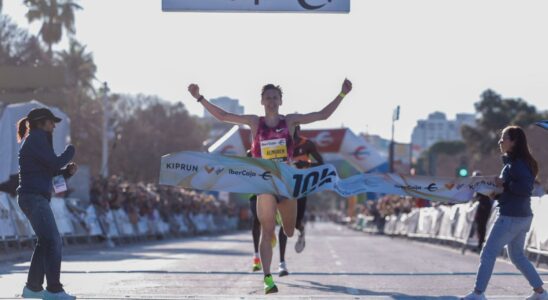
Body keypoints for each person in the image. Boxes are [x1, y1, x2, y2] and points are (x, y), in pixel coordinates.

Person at [188, 79, 352, 294]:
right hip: (264, 182)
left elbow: (322, 115)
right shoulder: (255, 122)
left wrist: (341, 95)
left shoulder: (290, 121)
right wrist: (199, 98)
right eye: (268, 98)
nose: (272, 101)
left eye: (275, 98)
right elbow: (224, 116)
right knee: (266, 231)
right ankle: (268, 278)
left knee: (290, 231)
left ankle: (279, 222)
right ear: (262, 101)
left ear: (281, 101)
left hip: (286, 183)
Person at [462, 126, 547, 300]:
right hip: (521, 216)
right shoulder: (517, 163)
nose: (500, 141)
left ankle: (478, 293)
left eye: (504, 138)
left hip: (511, 217)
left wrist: (504, 185)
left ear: (514, 142)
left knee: (488, 253)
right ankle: (541, 293)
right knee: (517, 256)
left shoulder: (517, 164)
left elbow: (524, 188)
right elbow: (515, 189)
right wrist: (497, 191)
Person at [16, 108, 78, 300]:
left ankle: (33, 288)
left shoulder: (38, 140)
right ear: (42, 122)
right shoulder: (37, 138)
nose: (54, 126)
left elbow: (50, 172)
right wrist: (71, 150)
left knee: (45, 242)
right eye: (52, 122)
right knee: (53, 241)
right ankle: (54, 290)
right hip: (34, 197)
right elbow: (54, 164)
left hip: (34, 197)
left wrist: (66, 173)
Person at [278, 125, 324, 277]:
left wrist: (307, 164)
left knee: (296, 222)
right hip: (284, 188)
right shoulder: (279, 144)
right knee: (284, 224)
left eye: (291, 129)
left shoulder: (307, 144)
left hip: (302, 188)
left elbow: (322, 163)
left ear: (297, 129)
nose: (288, 132)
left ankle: (301, 230)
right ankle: (282, 263)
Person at [471, 171, 493, 252]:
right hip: (483, 206)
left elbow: (476, 196)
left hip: (484, 207)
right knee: (480, 226)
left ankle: (480, 245)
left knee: (481, 226)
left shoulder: (481, 184)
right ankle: (479, 244)